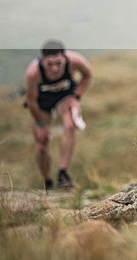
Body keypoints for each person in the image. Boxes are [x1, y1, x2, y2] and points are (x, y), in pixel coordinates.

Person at [24, 40, 92, 189]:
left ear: (64, 57)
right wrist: (41, 125)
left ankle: (63, 173)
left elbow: (87, 75)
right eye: (50, 64)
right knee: (42, 144)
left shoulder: (75, 60)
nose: (54, 68)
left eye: (58, 63)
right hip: (41, 102)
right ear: (43, 60)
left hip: (64, 97)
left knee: (70, 125)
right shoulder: (33, 73)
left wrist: (76, 97)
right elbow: (31, 101)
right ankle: (47, 181)